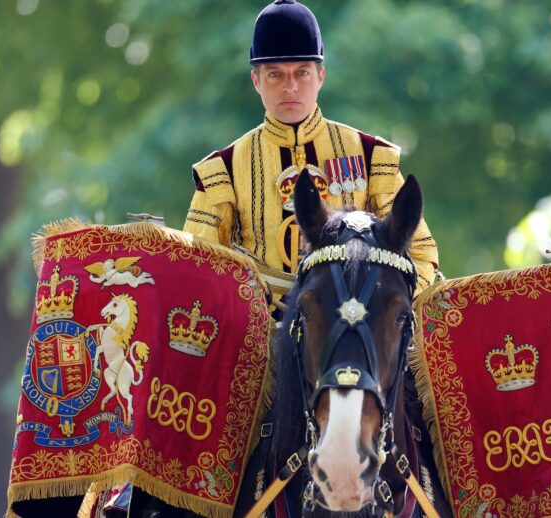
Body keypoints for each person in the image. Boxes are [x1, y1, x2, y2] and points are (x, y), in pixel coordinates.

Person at [183, 0, 438, 305]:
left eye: (301, 73)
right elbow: (195, 265)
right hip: (256, 334)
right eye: (275, 74)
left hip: (352, 332)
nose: (290, 86)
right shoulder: (221, 170)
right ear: (256, 81)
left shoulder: (373, 157)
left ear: (320, 77)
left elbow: (421, 254)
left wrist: (379, 306)